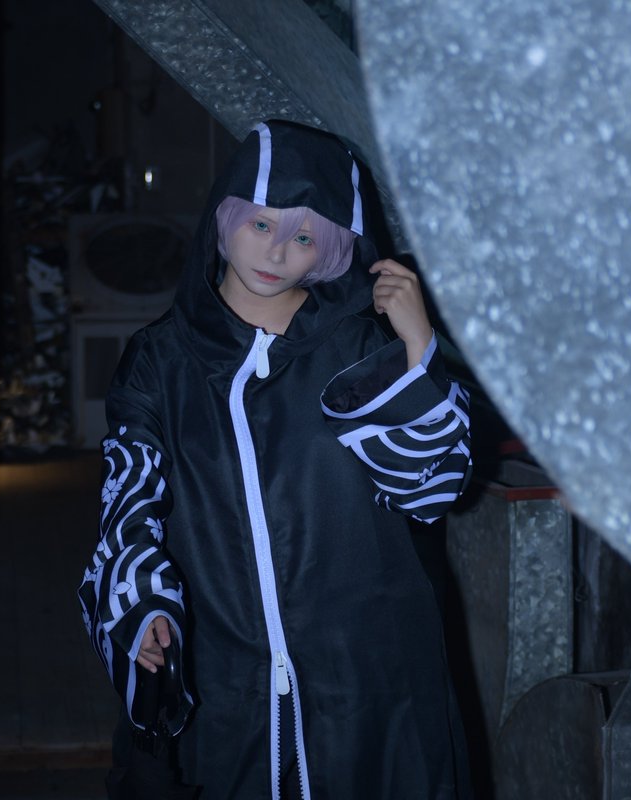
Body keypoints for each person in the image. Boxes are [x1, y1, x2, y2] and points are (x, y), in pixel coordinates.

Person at [78, 120, 473, 799]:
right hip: (225, 682)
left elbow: (430, 490)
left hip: (369, 683)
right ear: (224, 215)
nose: (277, 252)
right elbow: (129, 501)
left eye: (304, 237)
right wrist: (144, 606)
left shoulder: (361, 349)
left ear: (330, 249)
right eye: (262, 224)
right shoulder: (159, 363)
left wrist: (417, 347)